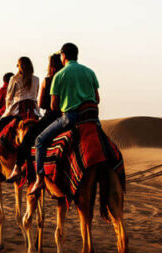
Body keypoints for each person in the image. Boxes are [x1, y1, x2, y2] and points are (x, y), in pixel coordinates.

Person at [30, 42, 100, 195]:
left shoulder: (59, 76)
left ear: (63, 56)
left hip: (71, 118)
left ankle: (40, 178)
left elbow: (54, 106)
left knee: (40, 141)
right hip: (92, 119)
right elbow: (97, 98)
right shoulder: (90, 72)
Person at [6, 52, 64, 182]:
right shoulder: (37, 79)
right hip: (38, 110)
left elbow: (44, 104)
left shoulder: (48, 80)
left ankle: (19, 167)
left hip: (49, 115)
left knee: (32, 138)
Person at [0, 57, 40, 169]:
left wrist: (6, 114)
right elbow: (35, 95)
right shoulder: (36, 79)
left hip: (17, 112)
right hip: (33, 112)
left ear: (20, 66)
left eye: (18, 65)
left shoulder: (14, 79)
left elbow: (9, 99)